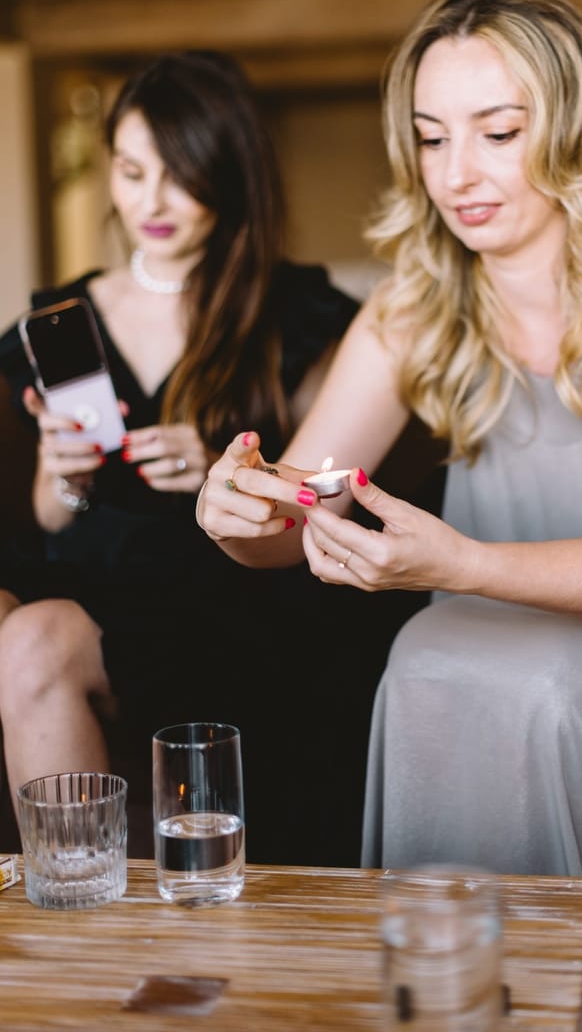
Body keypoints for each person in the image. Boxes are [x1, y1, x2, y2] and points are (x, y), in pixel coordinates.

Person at [196, 0, 582, 1029]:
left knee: (534, 679)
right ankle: (456, 1007)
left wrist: (456, 564)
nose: (455, 173)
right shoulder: (415, 302)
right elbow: (297, 505)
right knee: (425, 659)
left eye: (498, 131)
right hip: (492, 610)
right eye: (430, 138)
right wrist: (238, 513)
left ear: (570, 126)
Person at [0, 49, 383, 863]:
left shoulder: (297, 315)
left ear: (231, 174)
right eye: (132, 172)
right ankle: (78, 900)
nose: (152, 202)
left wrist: (222, 464)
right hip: (102, 581)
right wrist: (62, 478)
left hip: (240, 589)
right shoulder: (61, 320)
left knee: (44, 638)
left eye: (180, 175)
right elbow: (48, 520)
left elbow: (333, 481)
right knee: (26, 634)